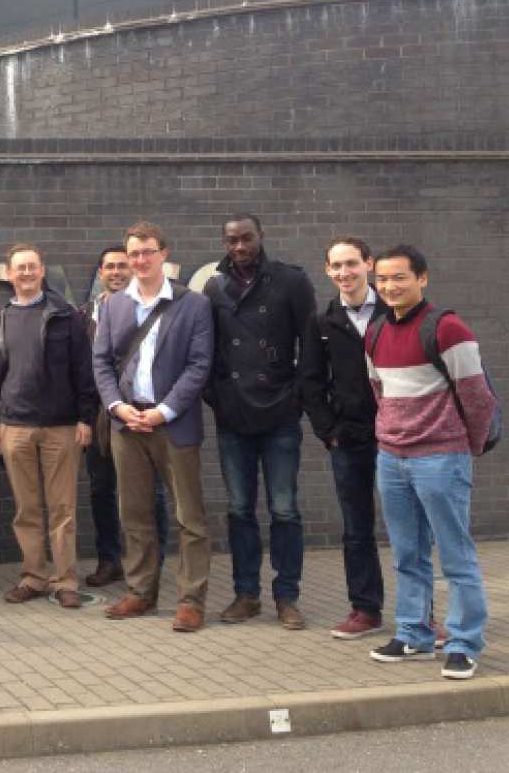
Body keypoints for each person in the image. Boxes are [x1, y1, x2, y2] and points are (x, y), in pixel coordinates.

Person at [365, 245, 494, 680]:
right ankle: (414, 633)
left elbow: (477, 399)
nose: (389, 286)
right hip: (391, 459)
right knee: (406, 554)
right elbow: (379, 391)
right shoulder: (377, 331)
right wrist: (391, 438)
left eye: (399, 277)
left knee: (455, 556)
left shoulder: (449, 328)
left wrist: (463, 448)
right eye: (382, 279)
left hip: (441, 457)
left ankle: (463, 642)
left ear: (422, 278)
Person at [92, 223, 214, 632]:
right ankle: (141, 592)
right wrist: (116, 407)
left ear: (164, 254)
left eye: (147, 252)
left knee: (189, 516)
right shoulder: (113, 306)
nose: (140, 261)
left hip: (172, 425)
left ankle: (191, 600)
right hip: (127, 425)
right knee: (134, 512)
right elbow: (102, 362)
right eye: (134, 255)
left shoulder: (192, 304)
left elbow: (199, 365)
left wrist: (165, 411)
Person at [203, 214, 317, 630]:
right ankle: (245, 593)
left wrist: (298, 398)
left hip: (279, 412)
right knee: (239, 509)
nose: (238, 247)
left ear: (261, 237)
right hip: (234, 415)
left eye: (246, 238)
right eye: (231, 240)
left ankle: (287, 596)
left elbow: (310, 344)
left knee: (284, 509)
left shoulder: (291, 281)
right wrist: (215, 396)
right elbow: (208, 349)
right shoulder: (214, 286)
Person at [0, 243, 98, 608]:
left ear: (42, 270)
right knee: (26, 509)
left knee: (62, 509)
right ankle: (33, 577)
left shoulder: (65, 317)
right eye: (20, 268)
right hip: (14, 427)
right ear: (9, 274)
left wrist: (85, 416)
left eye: (32, 266)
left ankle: (65, 582)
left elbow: (84, 369)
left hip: (61, 427)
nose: (27, 273)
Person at [300, 237, 389, 640]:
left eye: (351, 263)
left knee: (412, 527)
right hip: (349, 439)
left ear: (368, 264)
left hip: (400, 436)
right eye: (336, 266)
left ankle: (422, 614)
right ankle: (365, 610)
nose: (344, 273)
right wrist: (329, 432)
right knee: (356, 528)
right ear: (327, 271)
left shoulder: (395, 312)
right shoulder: (322, 322)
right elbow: (311, 382)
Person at [78, 245, 169, 587]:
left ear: (132, 269)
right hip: (101, 415)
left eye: (122, 265)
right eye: (109, 267)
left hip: (142, 413)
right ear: (100, 273)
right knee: (102, 489)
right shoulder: (83, 314)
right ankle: (109, 560)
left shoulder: (150, 309)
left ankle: (152, 562)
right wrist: (83, 418)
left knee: (150, 491)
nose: (116, 271)